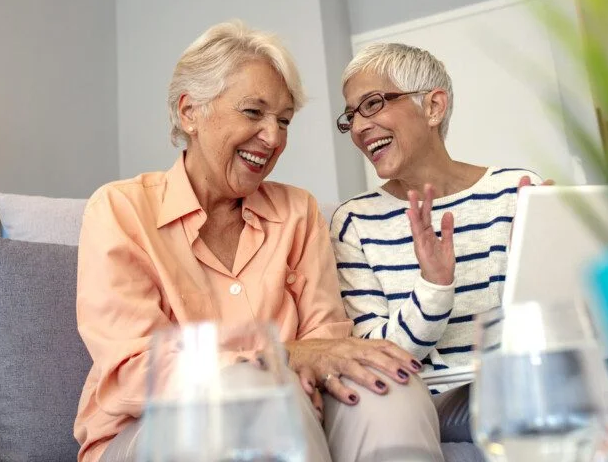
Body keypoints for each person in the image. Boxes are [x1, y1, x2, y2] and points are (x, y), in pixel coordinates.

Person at [74, 23, 446, 462]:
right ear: (190, 112)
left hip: (297, 416)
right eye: (254, 112)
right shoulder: (120, 210)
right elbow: (134, 373)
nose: (273, 138)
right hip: (149, 433)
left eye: (284, 121)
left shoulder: (298, 212)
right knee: (252, 395)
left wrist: (313, 362)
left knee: (386, 386)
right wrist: (280, 356)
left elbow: (328, 344)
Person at [330, 42, 544, 393]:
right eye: (351, 115)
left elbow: (550, 326)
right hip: (432, 405)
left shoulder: (516, 192)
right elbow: (374, 358)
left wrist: (549, 258)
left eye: (372, 104)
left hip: (524, 387)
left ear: (433, 106)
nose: (357, 128)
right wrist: (434, 286)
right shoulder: (354, 222)